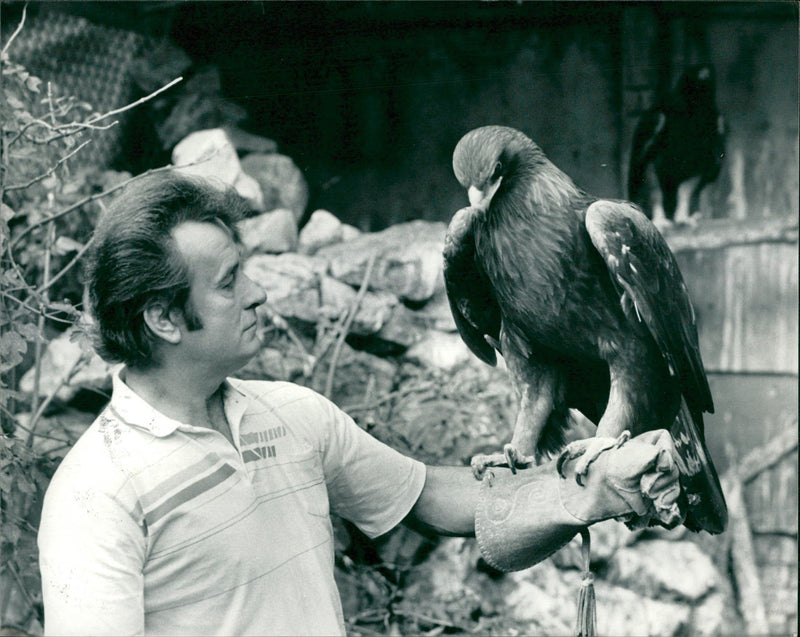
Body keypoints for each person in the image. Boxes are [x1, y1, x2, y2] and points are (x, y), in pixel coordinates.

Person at [38, 172, 683, 636]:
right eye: (231, 281)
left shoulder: (292, 417)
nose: (261, 293)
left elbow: (438, 500)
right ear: (163, 318)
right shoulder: (97, 494)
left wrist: (588, 491)